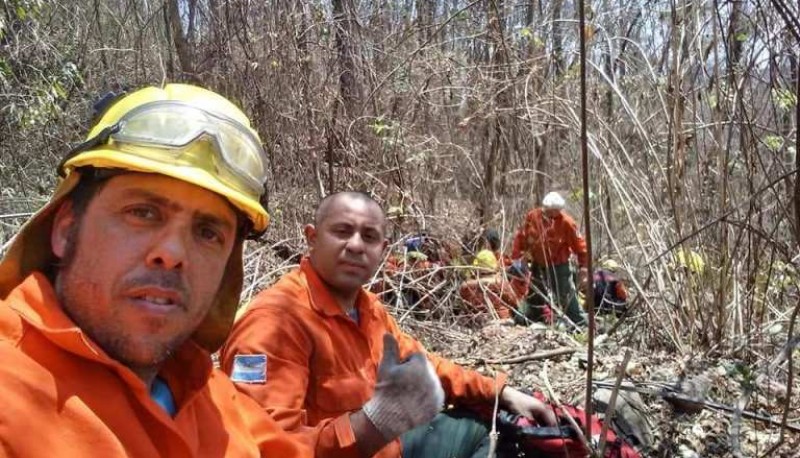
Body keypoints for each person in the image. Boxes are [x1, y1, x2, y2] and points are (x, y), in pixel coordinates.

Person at [0, 84, 309, 457]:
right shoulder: (12, 391)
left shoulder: (209, 394)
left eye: (207, 233)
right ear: (65, 229)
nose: (173, 253)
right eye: (143, 213)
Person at [220, 191, 557, 458]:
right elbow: (266, 447)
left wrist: (500, 391)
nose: (355, 245)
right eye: (342, 231)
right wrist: (373, 424)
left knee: (492, 428)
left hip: (390, 448)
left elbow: (423, 365)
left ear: (382, 249)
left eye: (368, 237)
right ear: (312, 236)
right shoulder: (275, 322)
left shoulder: (367, 309)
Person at [512, 191, 588, 326]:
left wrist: (584, 267)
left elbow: (581, 247)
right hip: (538, 265)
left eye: (557, 211)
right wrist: (519, 257)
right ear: (546, 208)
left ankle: (580, 324)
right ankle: (527, 319)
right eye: (552, 211)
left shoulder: (567, 223)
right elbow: (522, 237)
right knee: (535, 295)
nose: (554, 214)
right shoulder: (533, 216)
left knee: (566, 297)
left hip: (559, 267)